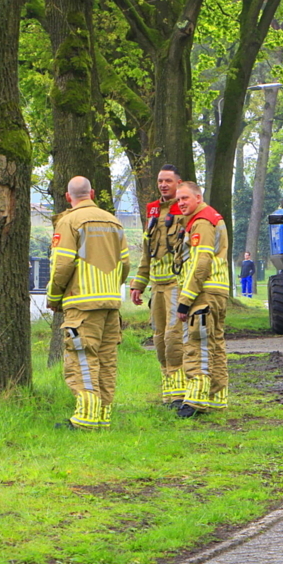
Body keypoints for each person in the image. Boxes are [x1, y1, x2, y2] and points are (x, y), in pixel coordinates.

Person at [47, 176, 130, 429]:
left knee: (82, 358)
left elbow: (62, 264)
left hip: (82, 304)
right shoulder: (115, 222)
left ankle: (85, 418)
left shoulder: (69, 221)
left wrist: (54, 296)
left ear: (68, 196)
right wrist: (111, 288)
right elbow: (125, 264)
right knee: (106, 360)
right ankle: (103, 415)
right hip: (110, 303)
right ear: (92, 193)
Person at [130, 165, 187, 407]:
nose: (163, 185)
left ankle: (180, 393)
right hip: (157, 285)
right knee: (159, 339)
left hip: (177, 284)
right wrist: (138, 283)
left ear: (178, 183)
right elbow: (147, 253)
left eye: (168, 181)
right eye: (160, 181)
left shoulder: (184, 209)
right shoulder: (152, 210)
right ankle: (168, 393)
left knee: (174, 339)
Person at [174, 182, 230, 418]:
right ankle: (216, 398)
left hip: (203, 292)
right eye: (179, 200)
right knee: (215, 344)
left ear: (198, 197)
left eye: (185, 198)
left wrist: (185, 299)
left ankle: (195, 402)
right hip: (216, 290)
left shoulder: (202, 221)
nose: (181, 203)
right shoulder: (209, 218)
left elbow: (201, 262)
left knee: (197, 345)